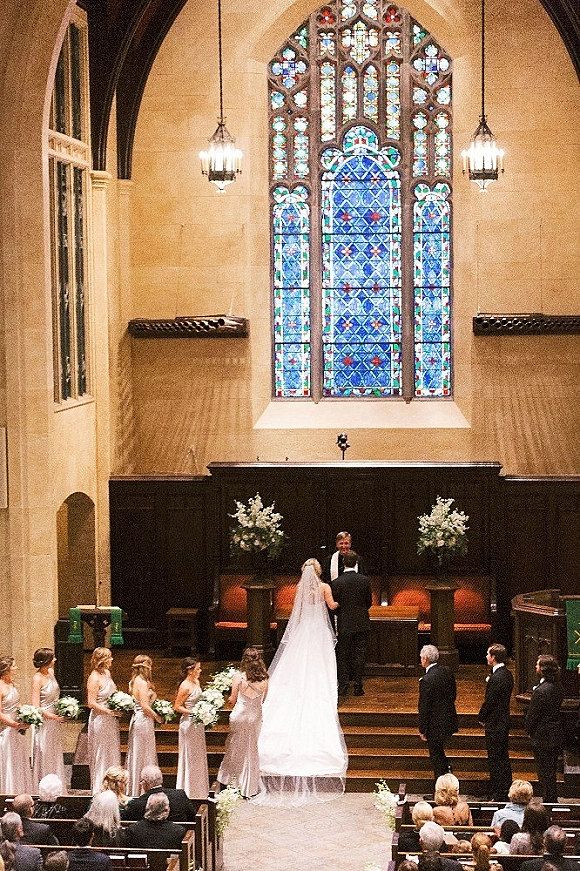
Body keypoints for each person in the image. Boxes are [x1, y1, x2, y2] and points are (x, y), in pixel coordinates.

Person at [255, 558, 347, 806]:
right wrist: (342, 602)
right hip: (319, 631)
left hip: (303, 630)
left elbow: (298, 611)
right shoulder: (324, 587)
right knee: (320, 666)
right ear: (318, 571)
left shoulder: (300, 588)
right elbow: (332, 606)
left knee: (296, 664)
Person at [217, 647, 268, 799]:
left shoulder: (238, 677)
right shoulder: (265, 679)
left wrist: (226, 697)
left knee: (234, 748)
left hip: (240, 715)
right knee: (251, 749)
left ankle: (230, 782)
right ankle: (249, 786)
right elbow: (264, 699)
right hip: (254, 716)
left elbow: (232, 699)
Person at [525, 654, 564, 803]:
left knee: (544, 772)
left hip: (542, 735)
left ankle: (548, 802)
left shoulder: (541, 691)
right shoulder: (558, 686)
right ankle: (551, 800)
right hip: (554, 733)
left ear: (543, 669)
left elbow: (533, 714)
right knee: (550, 772)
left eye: (537, 664)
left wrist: (528, 730)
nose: (535, 667)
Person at [333, 550, 372, 697]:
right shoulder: (364, 580)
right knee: (359, 654)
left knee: (343, 655)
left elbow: (335, 605)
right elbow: (368, 602)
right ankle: (357, 685)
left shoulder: (337, 582)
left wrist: (342, 614)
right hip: (362, 622)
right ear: (356, 563)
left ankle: (343, 686)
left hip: (344, 623)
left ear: (343, 563)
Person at [478, 643, 514, 801]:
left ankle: (498, 793)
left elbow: (490, 701)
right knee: (502, 757)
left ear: (493, 657)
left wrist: (481, 717)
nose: (486, 656)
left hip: (495, 723)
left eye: (488, 654)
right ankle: (504, 789)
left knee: (496, 759)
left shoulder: (497, 677)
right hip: (502, 721)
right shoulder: (507, 674)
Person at [418, 644, 459, 781]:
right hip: (448, 718)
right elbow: (453, 695)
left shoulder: (426, 680)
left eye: (421, 658)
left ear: (425, 659)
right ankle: (446, 769)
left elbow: (424, 707)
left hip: (434, 724)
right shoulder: (447, 671)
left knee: (435, 755)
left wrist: (422, 729)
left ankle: (441, 784)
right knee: (439, 751)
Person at [124, 655, 162, 797]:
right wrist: (158, 717)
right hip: (144, 721)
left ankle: (137, 787)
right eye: (150, 665)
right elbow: (145, 707)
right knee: (144, 753)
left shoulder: (135, 681)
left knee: (139, 752)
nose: (151, 668)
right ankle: (142, 791)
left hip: (139, 719)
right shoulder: (142, 683)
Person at [86, 648, 121, 796]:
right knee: (101, 753)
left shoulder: (107, 673)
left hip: (110, 720)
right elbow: (91, 703)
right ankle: (100, 789)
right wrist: (108, 711)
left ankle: (113, 786)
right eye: (109, 657)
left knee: (111, 751)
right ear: (103, 660)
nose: (112, 660)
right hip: (100, 719)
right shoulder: (93, 678)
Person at [31, 648, 67, 791]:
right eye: (53, 658)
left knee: (54, 753)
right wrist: (53, 716)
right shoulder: (37, 678)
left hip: (54, 721)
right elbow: (36, 706)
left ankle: (56, 786)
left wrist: (63, 708)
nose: (55, 660)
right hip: (44, 721)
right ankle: (43, 787)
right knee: (44, 752)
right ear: (46, 660)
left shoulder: (51, 673)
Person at [173, 658, 209, 798]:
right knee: (190, 755)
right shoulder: (185, 686)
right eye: (198, 669)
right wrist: (194, 712)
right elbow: (177, 706)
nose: (200, 671)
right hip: (188, 724)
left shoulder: (196, 682)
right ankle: (188, 790)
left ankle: (199, 790)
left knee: (197, 756)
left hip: (197, 724)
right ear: (190, 670)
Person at [0, 655, 32, 793]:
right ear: (6, 669)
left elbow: (16, 704)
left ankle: (20, 791)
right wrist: (14, 724)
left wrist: (26, 717)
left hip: (17, 728)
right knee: (9, 760)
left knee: (18, 760)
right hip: (7, 730)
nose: (16, 668)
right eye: (14, 666)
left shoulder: (12, 684)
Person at [121, 764, 195, 822]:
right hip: (181, 835)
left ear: (145, 783)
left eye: (141, 781)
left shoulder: (137, 804)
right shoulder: (180, 795)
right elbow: (193, 817)